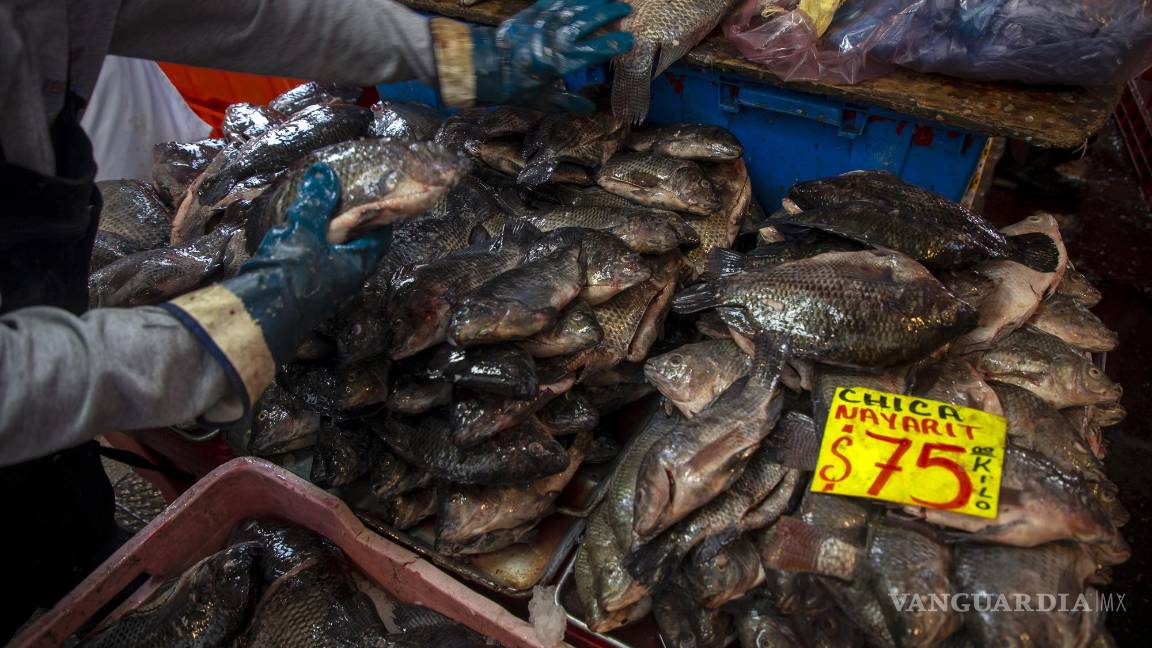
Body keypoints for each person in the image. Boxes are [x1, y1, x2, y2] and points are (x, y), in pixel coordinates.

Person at [0, 0, 633, 637]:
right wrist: (224, 335)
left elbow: (238, 14)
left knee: (80, 560)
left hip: (38, 303)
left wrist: (449, 53)